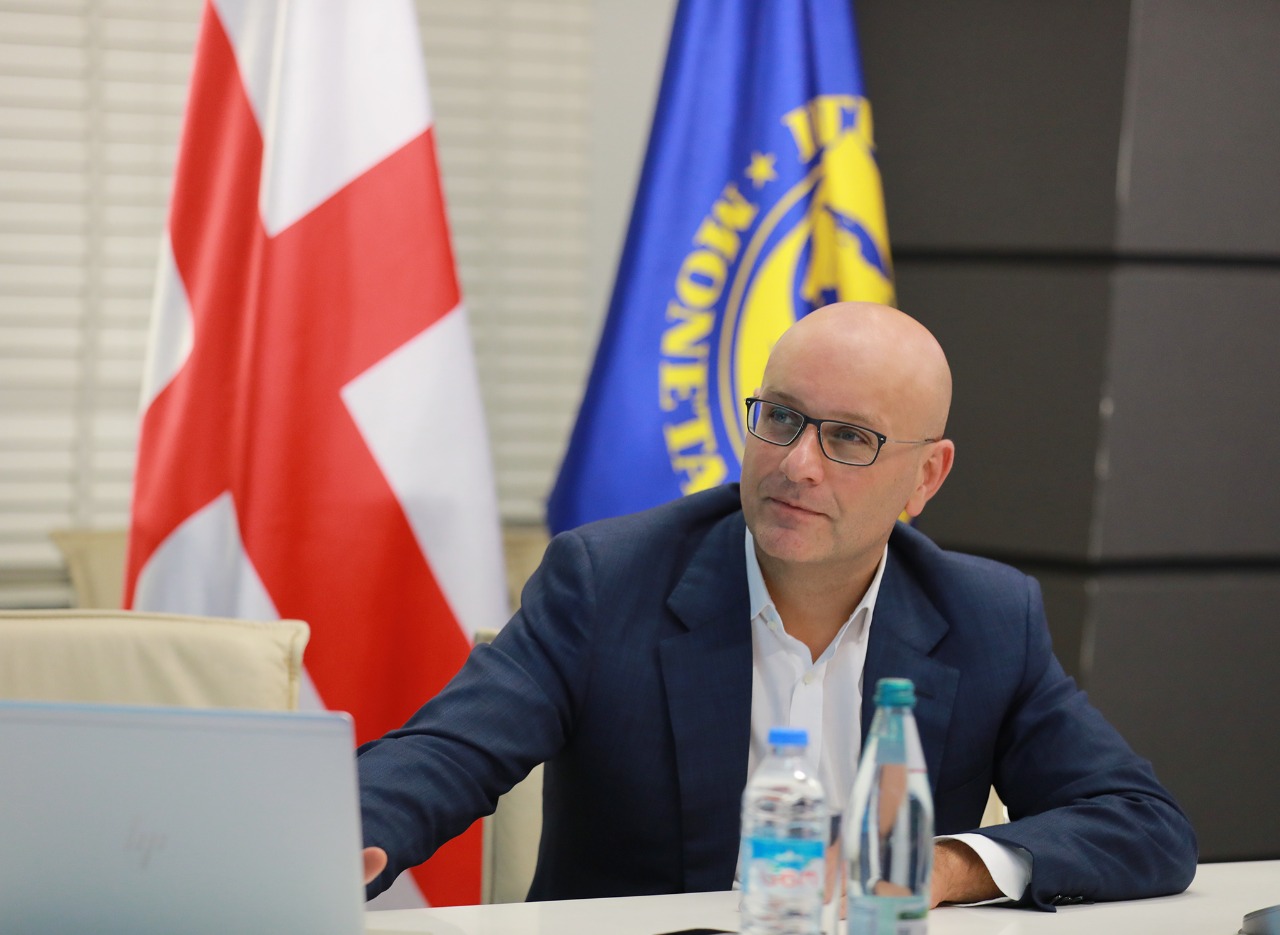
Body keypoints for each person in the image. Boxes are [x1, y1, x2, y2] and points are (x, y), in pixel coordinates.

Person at [358, 302, 1197, 909]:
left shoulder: (986, 616)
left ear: (926, 477)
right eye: (782, 418)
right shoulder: (607, 580)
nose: (798, 464)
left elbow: (1143, 823)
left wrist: (940, 866)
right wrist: (344, 835)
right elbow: (448, 751)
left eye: (849, 437)